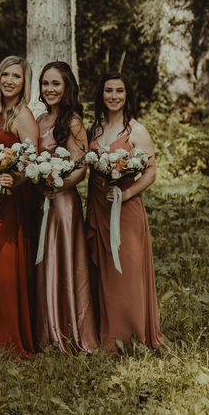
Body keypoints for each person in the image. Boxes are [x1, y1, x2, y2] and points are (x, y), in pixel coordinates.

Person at [86, 72, 166, 350]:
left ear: (127, 95)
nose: (114, 96)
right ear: (101, 94)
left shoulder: (136, 130)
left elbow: (151, 170)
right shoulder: (93, 129)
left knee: (127, 269)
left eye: (119, 91)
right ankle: (104, 329)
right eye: (108, 90)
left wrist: (127, 192)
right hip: (98, 206)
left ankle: (129, 335)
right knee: (102, 266)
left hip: (126, 206)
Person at [32, 62, 98, 352]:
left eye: (55, 83)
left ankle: (69, 331)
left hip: (63, 204)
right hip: (40, 202)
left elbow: (81, 167)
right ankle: (45, 330)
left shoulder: (73, 122)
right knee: (44, 262)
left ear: (67, 86)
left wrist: (57, 185)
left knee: (65, 263)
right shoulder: (38, 122)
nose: (50, 89)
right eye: (45, 83)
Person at [0, 56, 38, 357]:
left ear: (24, 83)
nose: (10, 81)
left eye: (16, 76)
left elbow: (32, 161)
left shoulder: (22, 116)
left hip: (12, 199)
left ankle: (8, 341)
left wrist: (13, 181)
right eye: (5, 74)